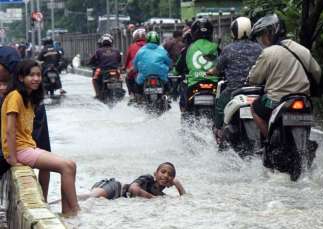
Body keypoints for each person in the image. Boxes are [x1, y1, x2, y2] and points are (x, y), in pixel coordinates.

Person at [1, 59, 79, 216]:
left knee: (70, 165)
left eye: (38, 75)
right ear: (21, 78)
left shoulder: (29, 98)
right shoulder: (15, 97)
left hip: (28, 147)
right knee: (66, 167)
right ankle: (76, 209)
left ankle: (67, 212)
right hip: (21, 149)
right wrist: (13, 159)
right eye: (31, 75)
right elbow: (9, 130)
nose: (36, 78)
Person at [248, 14, 321, 138]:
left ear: (271, 32)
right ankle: (305, 142)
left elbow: (254, 79)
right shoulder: (302, 50)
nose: (262, 40)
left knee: (254, 108)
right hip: (303, 99)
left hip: (275, 100)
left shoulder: (268, 53)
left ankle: (269, 142)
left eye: (263, 35)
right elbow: (317, 72)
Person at [0, 46, 52, 201]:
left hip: (18, 147)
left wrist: (14, 158)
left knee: (46, 158)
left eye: (3, 81)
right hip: (16, 148)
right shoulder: (15, 95)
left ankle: (43, 200)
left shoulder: (19, 97)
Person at [210, 17, 263, 144]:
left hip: (234, 90)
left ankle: (218, 131)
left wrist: (210, 72)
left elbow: (218, 69)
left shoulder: (228, 49)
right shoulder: (259, 48)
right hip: (256, 90)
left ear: (233, 31)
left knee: (219, 105)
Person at [51, 162, 185, 202]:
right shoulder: (148, 178)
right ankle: (54, 202)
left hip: (116, 199)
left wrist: (178, 185)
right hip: (115, 187)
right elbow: (133, 189)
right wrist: (154, 199)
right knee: (90, 197)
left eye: (170, 175)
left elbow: (185, 200)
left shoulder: (161, 196)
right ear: (156, 173)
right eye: (163, 171)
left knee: (92, 204)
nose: (166, 175)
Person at [176, 17, 219, 112]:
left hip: (194, 85)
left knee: (186, 110)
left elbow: (179, 67)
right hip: (214, 85)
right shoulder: (217, 48)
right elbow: (223, 65)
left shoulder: (188, 49)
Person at [89, 33, 122, 98]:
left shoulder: (98, 51)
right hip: (115, 70)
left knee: (94, 79)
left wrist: (91, 64)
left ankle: (98, 94)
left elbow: (93, 60)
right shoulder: (116, 50)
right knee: (120, 78)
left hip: (103, 70)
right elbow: (119, 60)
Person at [123, 28, 146, 97]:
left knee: (127, 77)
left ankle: (131, 94)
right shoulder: (150, 46)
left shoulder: (132, 47)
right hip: (148, 70)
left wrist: (125, 67)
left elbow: (127, 60)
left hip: (134, 70)